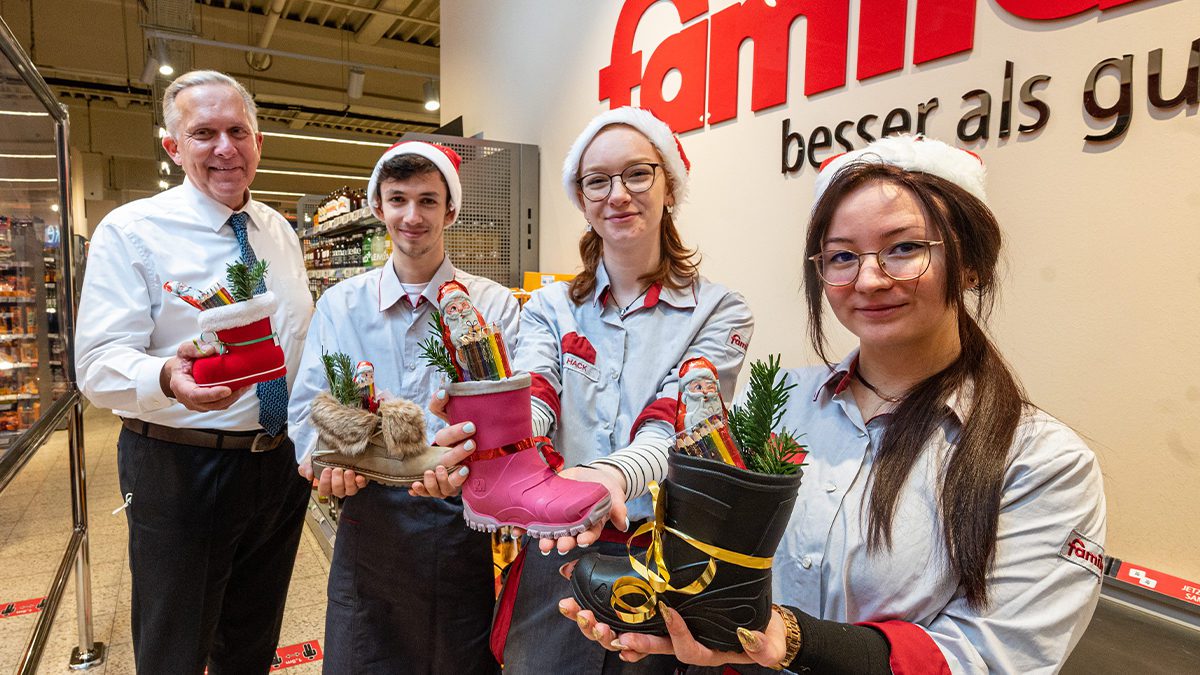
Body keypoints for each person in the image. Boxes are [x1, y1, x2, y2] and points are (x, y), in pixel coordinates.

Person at [560, 135, 1107, 673]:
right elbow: (709, 556)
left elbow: (990, 659)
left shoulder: (1043, 464)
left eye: (905, 248)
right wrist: (657, 604)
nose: (868, 279)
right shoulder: (775, 404)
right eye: (842, 256)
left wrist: (792, 640)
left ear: (971, 264)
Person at [424, 107, 754, 673]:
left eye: (637, 174)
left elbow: (674, 422)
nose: (617, 194)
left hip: (665, 561)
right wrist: (490, 440)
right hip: (557, 547)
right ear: (581, 198)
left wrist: (608, 478)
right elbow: (539, 396)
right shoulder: (551, 307)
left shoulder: (720, 312)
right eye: (597, 181)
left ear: (669, 185)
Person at [75, 70, 314, 673]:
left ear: (258, 139)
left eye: (238, 130)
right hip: (181, 465)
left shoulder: (278, 233)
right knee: (175, 644)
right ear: (173, 147)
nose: (225, 148)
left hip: (278, 466)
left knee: (252, 637)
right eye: (203, 133)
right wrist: (166, 378)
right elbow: (97, 363)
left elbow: (300, 341)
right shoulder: (132, 232)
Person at [288, 141, 519, 673]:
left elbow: (515, 420)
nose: (411, 216)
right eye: (397, 199)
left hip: (465, 524)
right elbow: (304, 409)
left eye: (427, 201)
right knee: (363, 656)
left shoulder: (494, 307)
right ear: (378, 208)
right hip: (369, 520)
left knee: (456, 659)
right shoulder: (340, 306)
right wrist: (322, 463)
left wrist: (472, 463)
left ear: (451, 210)